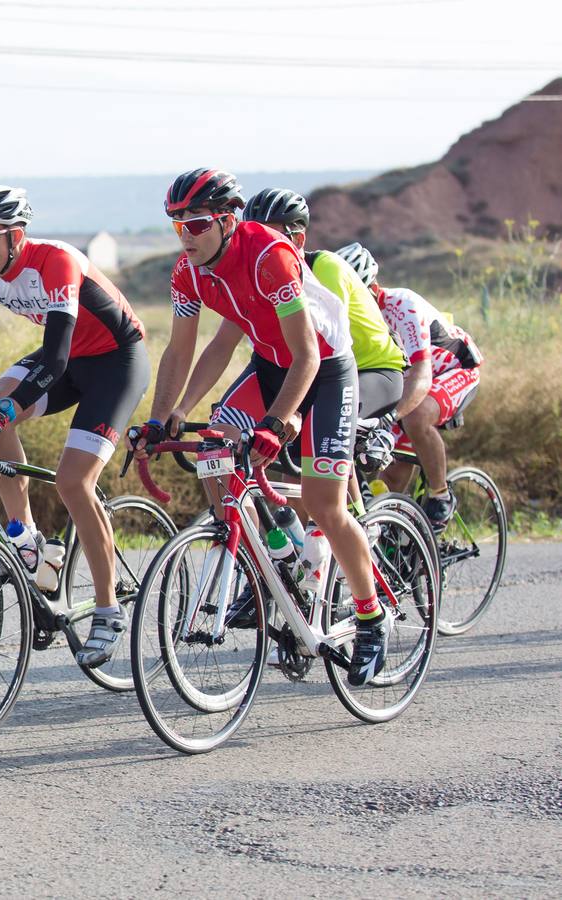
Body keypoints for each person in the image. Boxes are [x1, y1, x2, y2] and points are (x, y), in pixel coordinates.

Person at [137, 168, 390, 687]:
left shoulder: (267, 255)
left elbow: (306, 356)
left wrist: (278, 422)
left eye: (198, 224)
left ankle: (370, 617)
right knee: (214, 452)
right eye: (177, 225)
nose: (186, 236)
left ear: (228, 222)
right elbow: (187, 349)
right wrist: (166, 415)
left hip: (323, 367)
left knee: (325, 502)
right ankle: (274, 560)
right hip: (270, 366)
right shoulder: (188, 271)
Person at [0, 185, 148, 666]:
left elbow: (56, 357)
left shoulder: (57, 260)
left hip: (115, 363)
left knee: (73, 481)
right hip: (71, 360)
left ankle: (107, 612)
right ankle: (28, 542)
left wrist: (12, 406)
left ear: (15, 236)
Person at [336, 241, 485, 529]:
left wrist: (391, 418)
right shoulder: (352, 321)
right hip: (409, 383)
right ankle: (402, 542)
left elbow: (422, 373)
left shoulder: (403, 305)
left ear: (373, 288)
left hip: (453, 370)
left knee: (416, 417)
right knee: (390, 476)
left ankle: (440, 494)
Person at [243, 189, 405, 424]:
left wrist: (293, 409)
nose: (260, 248)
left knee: (323, 426)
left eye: (270, 238)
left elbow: (322, 344)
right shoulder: (261, 276)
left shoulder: (326, 268)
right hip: (322, 371)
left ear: (298, 239)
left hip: (372, 370)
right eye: (252, 239)